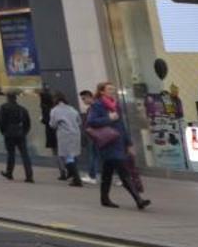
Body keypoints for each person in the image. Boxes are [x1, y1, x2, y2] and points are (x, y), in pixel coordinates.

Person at [86, 81, 148, 210]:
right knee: (123, 172)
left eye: (113, 89)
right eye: (109, 89)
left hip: (118, 142)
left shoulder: (116, 105)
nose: (112, 91)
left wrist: (129, 143)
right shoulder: (97, 105)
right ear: (102, 91)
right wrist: (109, 118)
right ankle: (138, 200)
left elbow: (122, 126)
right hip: (107, 142)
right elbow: (91, 122)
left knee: (107, 173)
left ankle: (104, 198)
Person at [0, 91, 34, 183]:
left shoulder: (4, 107)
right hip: (20, 133)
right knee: (25, 155)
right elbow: (28, 123)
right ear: (16, 98)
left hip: (9, 133)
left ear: (8, 98)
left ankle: (9, 172)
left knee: (11, 154)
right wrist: (24, 132)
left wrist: (3, 131)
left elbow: (0, 121)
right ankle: (29, 176)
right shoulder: (22, 109)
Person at [49, 91, 85, 185]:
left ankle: (76, 179)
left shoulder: (55, 110)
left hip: (65, 135)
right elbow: (79, 121)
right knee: (72, 155)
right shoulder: (72, 109)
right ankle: (74, 176)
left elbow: (52, 124)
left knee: (67, 157)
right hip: (76, 134)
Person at [77, 89, 99, 181]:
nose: (83, 101)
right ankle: (92, 175)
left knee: (93, 155)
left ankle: (92, 175)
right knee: (96, 155)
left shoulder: (94, 107)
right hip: (95, 134)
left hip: (95, 134)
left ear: (90, 97)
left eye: (84, 98)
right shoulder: (91, 108)